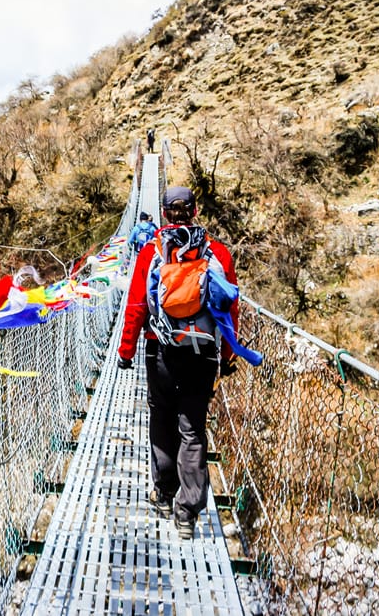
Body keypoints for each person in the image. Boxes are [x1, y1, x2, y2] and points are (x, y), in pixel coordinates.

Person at [116, 186, 240, 540]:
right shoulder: (217, 252)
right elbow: (230, 308)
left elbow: (138, 305)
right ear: (196, 210)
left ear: (166, 213)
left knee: (162, 419)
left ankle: (165, 493)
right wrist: (229, 355)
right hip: (202, 353)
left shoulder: (152, 252)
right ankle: (187, 513)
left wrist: (126, 351)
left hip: (160, 350)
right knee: (193, 428)